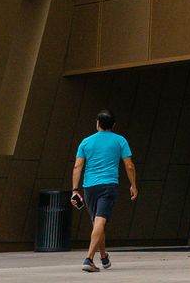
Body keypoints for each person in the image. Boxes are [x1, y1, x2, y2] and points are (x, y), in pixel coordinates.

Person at [70, 110, 136, 273]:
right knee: (100, 222)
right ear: (113, 125)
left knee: (97, 223)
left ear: (98, 123)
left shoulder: (86, 142)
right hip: (108, 185)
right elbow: (129, 165)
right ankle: (89, 259)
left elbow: (77, 167)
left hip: (89, 187)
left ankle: (104, 257)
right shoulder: (120, 141)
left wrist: (74, 190)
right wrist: (133, 185)